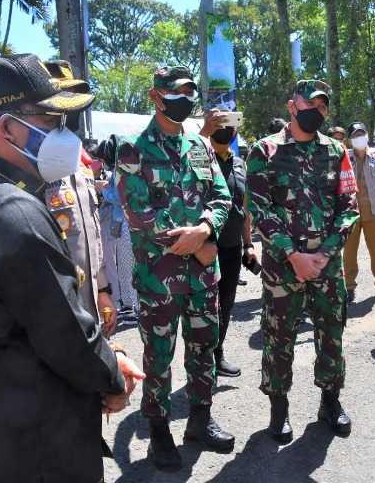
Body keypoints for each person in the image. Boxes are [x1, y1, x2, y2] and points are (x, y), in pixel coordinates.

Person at [0, 53, 144, 483]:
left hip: (1, 424)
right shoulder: (12, 209)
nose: (65, 136)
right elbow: (65, 333)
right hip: (38, 438)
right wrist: (112, 374)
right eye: (51, 121)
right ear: (8, 127)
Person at [116, 65, 234, 471]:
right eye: (175, 93)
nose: (184, 100)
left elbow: (222, 197)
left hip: (203, 276)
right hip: (158, 279)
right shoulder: (133, 148)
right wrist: (192, 245)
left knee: (204, 349)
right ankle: (160, 432)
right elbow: (138, 214)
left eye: (189, 93)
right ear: (156, 96)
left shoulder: (200, 146)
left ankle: (200, 420)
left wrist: (204, 229)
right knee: (159, 356)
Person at [246, 79, 359, 443]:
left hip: (327, 267)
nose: (318, 111)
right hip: (283, 267)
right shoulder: (264, 151)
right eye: (311, 104)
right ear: (292, 105)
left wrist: (324, 253)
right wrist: (293, 255)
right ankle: (278, 409)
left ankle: (330, 401)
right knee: (279, 337)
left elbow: (349, 208)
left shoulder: (337, 151)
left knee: (332, 334)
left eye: (323, 106)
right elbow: (259, 209)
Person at [42, 58, 118, 338]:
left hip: (90, 307)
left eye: (73, 100)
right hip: (56, 311)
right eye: (62, 101)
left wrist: (104, 291)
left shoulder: (80, 164)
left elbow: (92, 234)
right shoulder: (31, 170)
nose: (69, 111)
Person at [199, 105, 258, 377]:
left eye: (229, 123)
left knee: (226, 303)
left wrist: (249, 244)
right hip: (204, 249)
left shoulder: (238, 162)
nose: (225, 129)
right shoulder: (197, 156)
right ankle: (201, 362)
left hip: (232, 246)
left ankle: (217, 355)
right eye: (218, 123)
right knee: (203, 308)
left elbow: (242, 207)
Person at [342, 121, 375, 303]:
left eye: (361, 134)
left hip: (374, 210)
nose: (358, 138)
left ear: (367, 135)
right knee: (349, 251)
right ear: (350, 139)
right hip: (350, 212)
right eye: (355, 135)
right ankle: (349, 286)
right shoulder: (344, 157)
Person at [97, 136, 139, 323]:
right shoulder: (126, 167)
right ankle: (132, 306)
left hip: (124, 222)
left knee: (126, 266)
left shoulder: (119, 170)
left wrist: (103, 189)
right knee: (126, 266)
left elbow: (119, 198)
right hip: (127, 222)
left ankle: (132, 308)